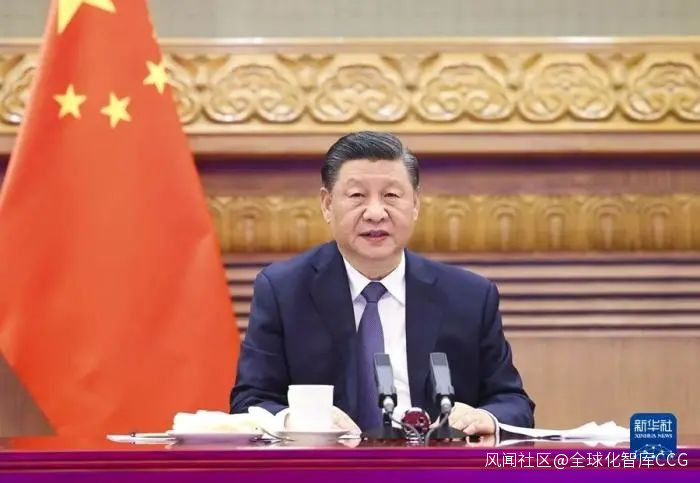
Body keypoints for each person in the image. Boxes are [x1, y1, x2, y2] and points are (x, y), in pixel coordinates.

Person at [230, 131, 534, 435]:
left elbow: (512, 402)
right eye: (357, 196)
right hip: (327, 462)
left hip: (436, 462)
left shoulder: (469, 296)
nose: (375, 213)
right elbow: (250, 402)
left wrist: (484, 418)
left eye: (391, 196)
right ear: (327, 204)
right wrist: (301, 420)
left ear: (415, 204)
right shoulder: (284, 291)